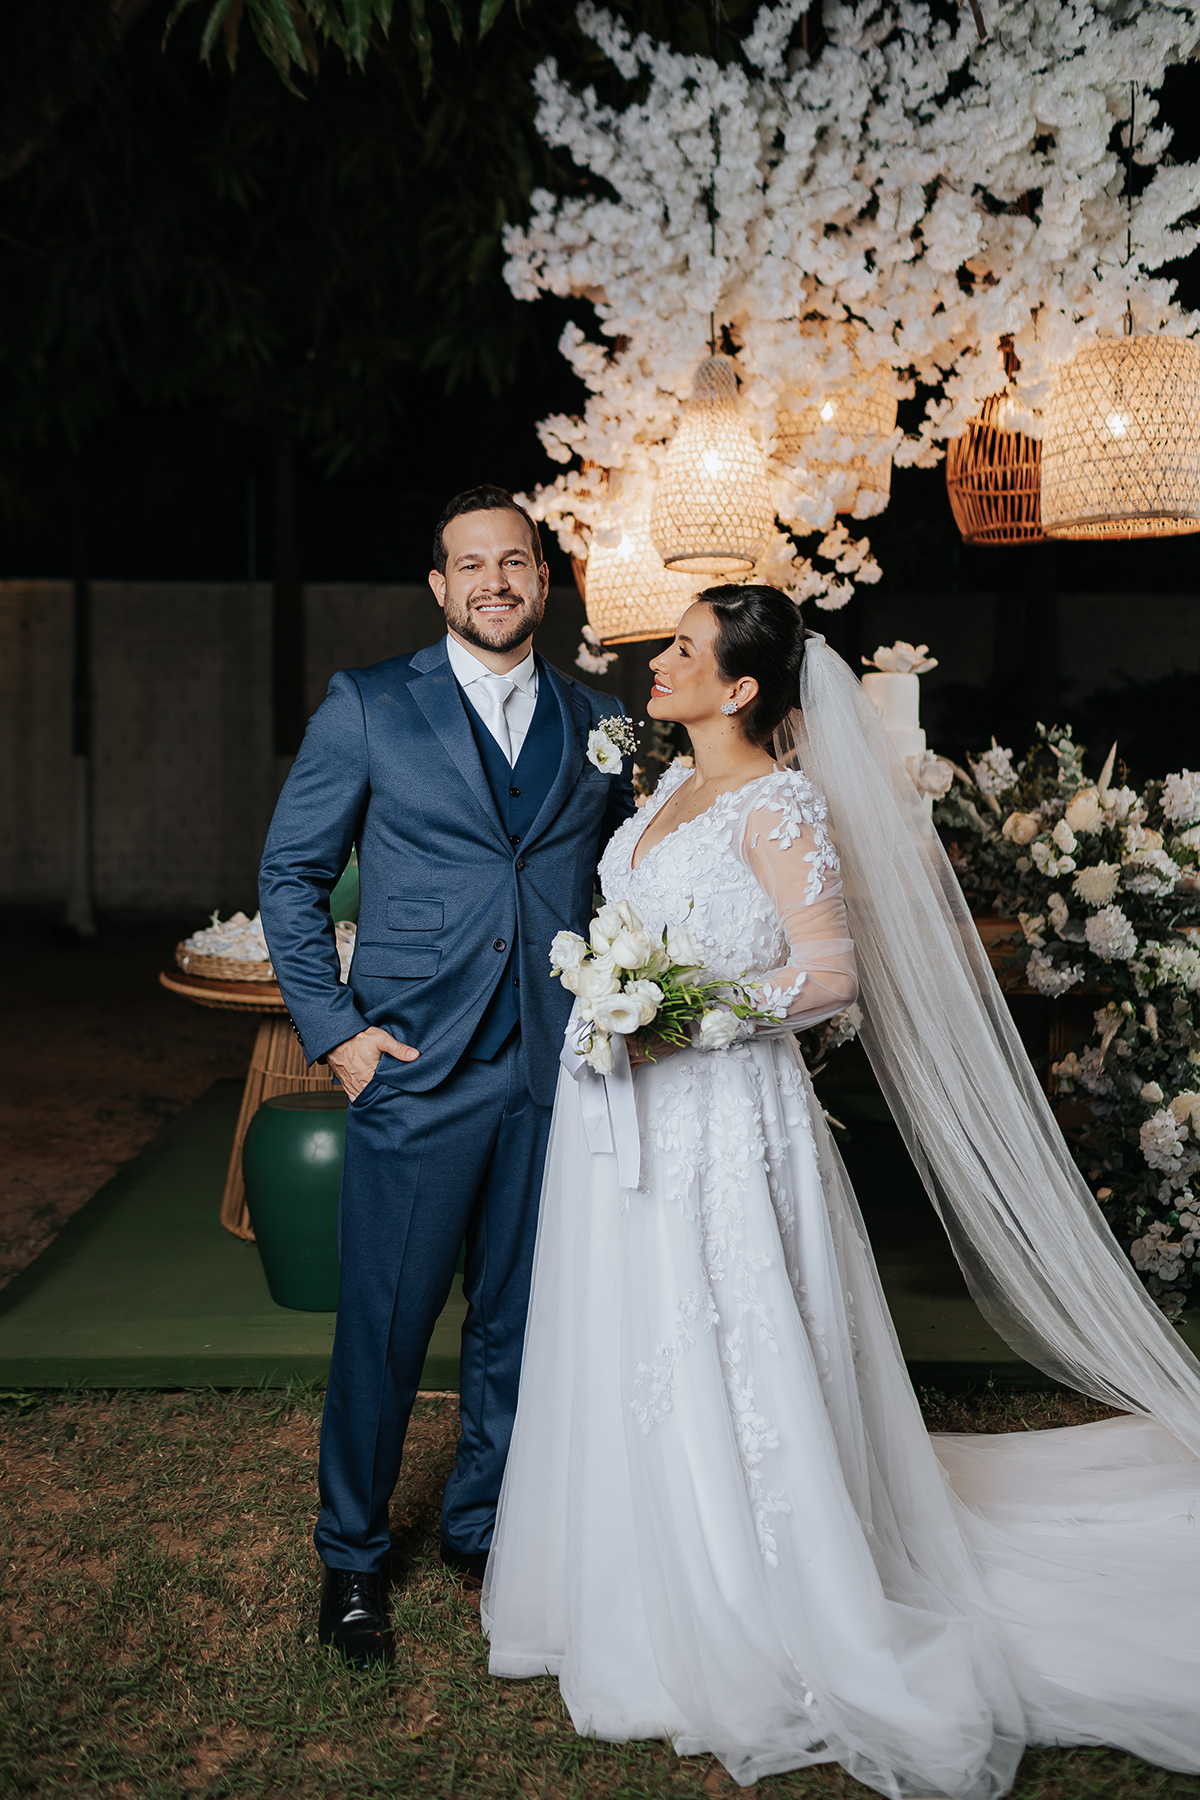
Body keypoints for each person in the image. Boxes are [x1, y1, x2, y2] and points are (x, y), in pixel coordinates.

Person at [483, 584, 1200, 1797]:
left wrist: (684, 1014)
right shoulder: (665, 789)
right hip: (627, 1114)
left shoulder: (780, 801)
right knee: (636, 1335)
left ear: (744, 687)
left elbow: (827, 975)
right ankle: (633, 1564)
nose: (661, 662)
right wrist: (618, 999)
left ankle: (757, 1587)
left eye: (685, 650)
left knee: (726, 1336)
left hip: (720, 1116)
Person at [258, 485, 634, 1666]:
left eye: (514, 562)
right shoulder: (369, 706)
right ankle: (354, 1559)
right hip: (415, 1069)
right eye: (470, 566)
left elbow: (618, 884)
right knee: (386, 1325)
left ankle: (482, 1527)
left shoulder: (600, 719)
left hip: (554, 1068)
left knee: (518, 1322)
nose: (494, 583)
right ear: (439, 586)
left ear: (542, 576)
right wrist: (342, 1036)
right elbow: (290, 877)